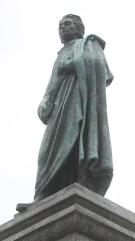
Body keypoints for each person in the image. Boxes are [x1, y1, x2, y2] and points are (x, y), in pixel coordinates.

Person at [30, 14, 114, 203]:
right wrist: (44, 101)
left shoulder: (89, 44)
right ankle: (45, 192)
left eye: (67, 24)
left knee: (76, 141)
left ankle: (80, 180)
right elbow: (52, 84)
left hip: (80, 103)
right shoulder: (60, 53)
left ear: (78, 28)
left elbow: (101, 68)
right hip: (58, 108)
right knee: (47, 152)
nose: (62, 28)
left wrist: (72, 65)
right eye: (60, 26)